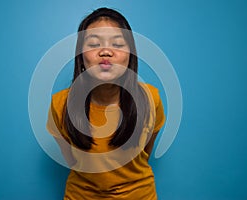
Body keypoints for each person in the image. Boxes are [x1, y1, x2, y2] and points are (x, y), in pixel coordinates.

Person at [46, 7, 165, 200]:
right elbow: (72, 161)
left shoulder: (151, 98)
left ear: (130, 56)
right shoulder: (59, 104)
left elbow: (145, 151)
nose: (106, 51)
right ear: (81, 57)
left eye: (117, 44)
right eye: (94, 44)